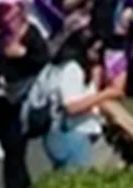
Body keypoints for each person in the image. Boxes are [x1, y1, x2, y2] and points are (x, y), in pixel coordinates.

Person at [0, 0, 51, 188]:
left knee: (14, 150)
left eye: (10, 11)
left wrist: (23, 55)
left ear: (20, 10)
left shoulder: (32, 34)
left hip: (23, 98)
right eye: (3, 11)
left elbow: (43, 61)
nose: (7, 17)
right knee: (11, 149)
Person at [46, 34, 118, 170]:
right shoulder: (71, 69)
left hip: (82, 133)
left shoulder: (87, 68)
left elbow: (88, 97)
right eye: (95, 51)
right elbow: (72, 107)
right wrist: (105, 94)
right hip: (71, 135)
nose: (98, 55)